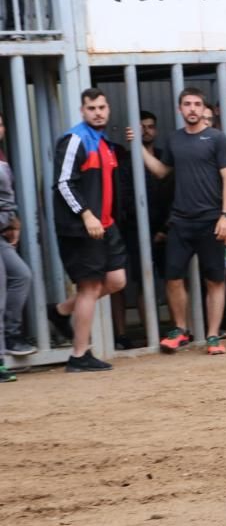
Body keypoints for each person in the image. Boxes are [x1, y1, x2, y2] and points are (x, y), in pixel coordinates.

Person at [139, 88, 226, 354]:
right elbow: (161, 171)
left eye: (196, 104)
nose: (192, 108)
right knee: (172, 276)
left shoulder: (217, 139)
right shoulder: (174, 140)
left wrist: (225, 216)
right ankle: (181, 330)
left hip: (211, 220)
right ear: (179, 109)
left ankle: (213, 336)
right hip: (181, 221)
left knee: (215, 279)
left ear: (203, 108)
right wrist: (138, 147)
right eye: (187, 104)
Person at [47, 88, 127, 371]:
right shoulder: (75, 139)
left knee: (117, 281)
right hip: (82, 228)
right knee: (89, 288)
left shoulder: (105, 143)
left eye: (102, 107)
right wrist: (86, 215)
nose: (98, 112)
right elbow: (63, 183)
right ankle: (80, 355)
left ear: (108, 109)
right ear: (83, 111)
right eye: (92, 108)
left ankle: (60, 312)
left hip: (105, 226)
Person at [1, 111, 34, 380]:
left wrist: (14, 220)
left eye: (0, 123)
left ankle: (11, 335)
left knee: (21, 276)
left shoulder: (2, 157)